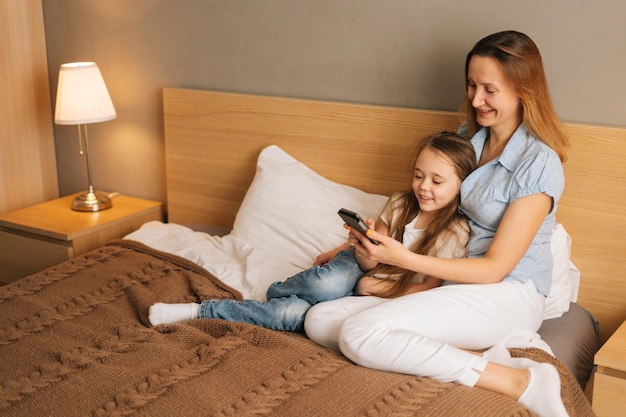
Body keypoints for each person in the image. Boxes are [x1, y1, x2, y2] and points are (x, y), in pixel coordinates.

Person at [304, 31, 570, 417]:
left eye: (489, 90)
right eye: (472, 85)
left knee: (360, 333)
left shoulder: (538, 163)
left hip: (508, 292)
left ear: (523, 89)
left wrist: (405, 260)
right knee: (319, 320)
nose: (476, 100)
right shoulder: (467, 139)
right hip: (452, 285)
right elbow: (424, 208)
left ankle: (522, 381)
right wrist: (362, 244)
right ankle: (470, 355)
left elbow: (496, 267)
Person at [148, 131, 476, 332]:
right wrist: (348, 249)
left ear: (463, 184)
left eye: (437, 181)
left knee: (291, 314)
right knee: (329, 279)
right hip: (360, 267)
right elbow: (375, 248)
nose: (423, 187)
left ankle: (200, 310)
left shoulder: (454, 231)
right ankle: (277, 289)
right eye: (419, 176)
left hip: (385, 292)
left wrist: (377, 290)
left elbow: (429, 288)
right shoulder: (401, 203)